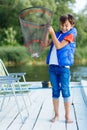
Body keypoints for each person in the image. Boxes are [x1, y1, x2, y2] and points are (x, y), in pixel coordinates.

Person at [45, 14, 77, 123]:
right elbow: (45, 44)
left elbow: (58, 46)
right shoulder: (58, 34)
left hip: (63, 69)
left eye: (66, 25)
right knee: (55, 91)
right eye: (62, 25)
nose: (64, 27)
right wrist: (46, 32)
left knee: (65, 91)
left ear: (72, 25)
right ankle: (57, 115)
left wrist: (52, 33)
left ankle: (67, 116)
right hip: (52, 68)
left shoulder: (71, 35)